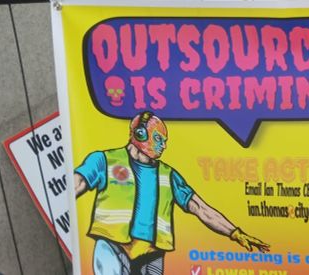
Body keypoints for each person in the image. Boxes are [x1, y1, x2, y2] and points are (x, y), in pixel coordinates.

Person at [74, 113, 268, 274]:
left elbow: (200, 208)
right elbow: (77, 183)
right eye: (159, 139)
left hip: (152, 257)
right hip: (113, 248)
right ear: (140, 134)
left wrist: (235, 233)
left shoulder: (169, 175)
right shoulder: (104, 160)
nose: (164, 146)